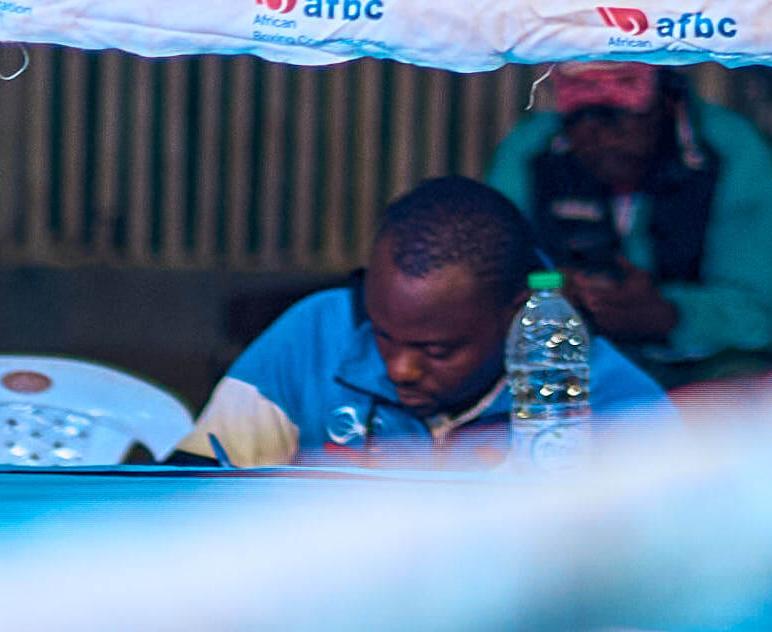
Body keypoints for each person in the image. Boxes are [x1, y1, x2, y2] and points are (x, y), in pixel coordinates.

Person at [198, 171, 666, 466]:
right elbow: (190, 499)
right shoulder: (316, 334)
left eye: (437, 350)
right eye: (383, 335)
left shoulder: (613, 405)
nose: (400, 368)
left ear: (517, 315)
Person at [490, 60, 772, 382]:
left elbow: (765, 317)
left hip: (699, 368)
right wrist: (551, 295)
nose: (599, 132)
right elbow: (495, 281)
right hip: (571, 361)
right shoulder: (529, 152)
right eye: (581, 112)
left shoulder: (732, 152)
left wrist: (668, 316)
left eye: (622, 106)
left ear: (669, 98)